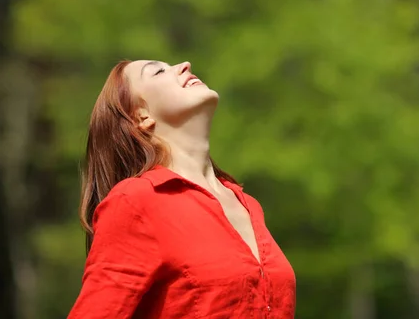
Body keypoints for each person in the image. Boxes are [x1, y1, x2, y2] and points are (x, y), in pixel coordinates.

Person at [67, 60, 296, 318]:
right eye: (158, 71)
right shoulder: (135, 201)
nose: (185, 65)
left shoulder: (248, 205)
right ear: (142, 117)